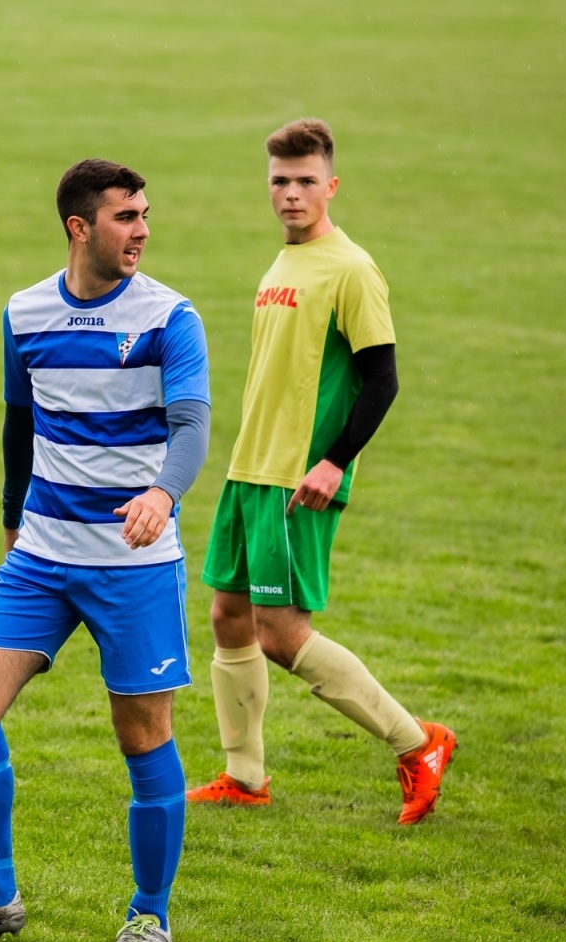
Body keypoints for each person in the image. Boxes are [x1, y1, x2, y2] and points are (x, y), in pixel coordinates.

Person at [0, 160, 211, 942]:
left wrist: (162, 495)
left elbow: (191, 429)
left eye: (146, 214)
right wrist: (11, 519)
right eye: (125, 217)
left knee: (142, 733)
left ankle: (150, 916)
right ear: (80, 227)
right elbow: (17, 423)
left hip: (135, 563)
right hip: (41, 554)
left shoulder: (170, 317)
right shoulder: (25, 311)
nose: (142, 229)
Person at [186, 119, 456, 824]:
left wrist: (335, 462)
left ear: (331, 186)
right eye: (280, 180)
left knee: (279, 632)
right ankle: (244, 777)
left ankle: (417, 741)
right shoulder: (282, 264)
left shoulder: (351, 268)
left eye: (306, 180)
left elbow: (383, 379)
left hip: (296, 481)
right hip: (252, 470)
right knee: (229, 615)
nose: (291, 193)